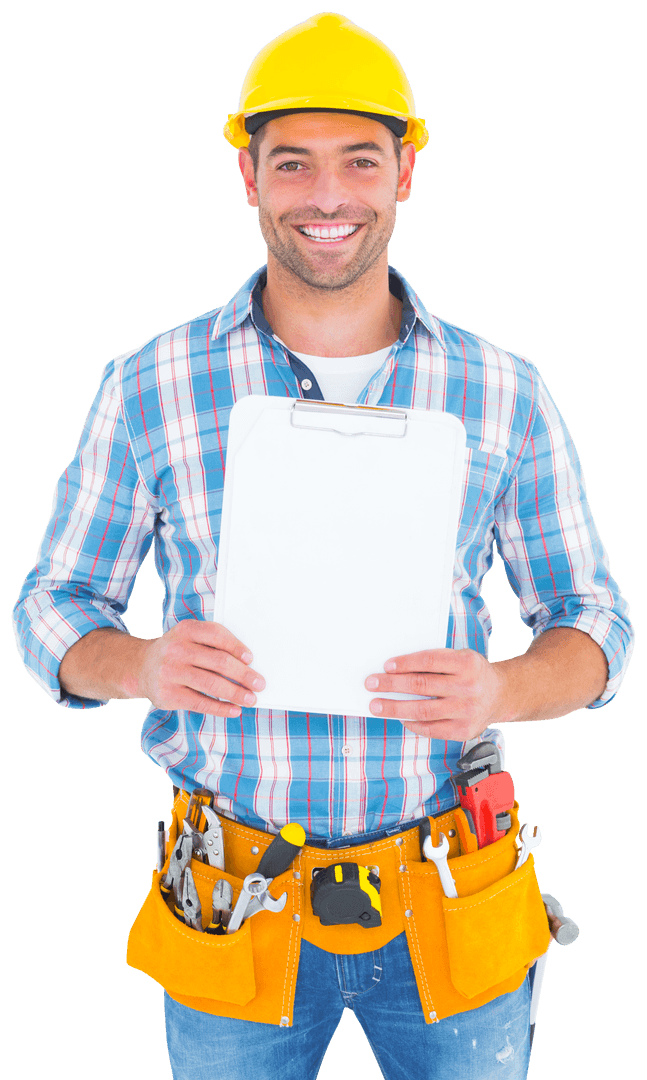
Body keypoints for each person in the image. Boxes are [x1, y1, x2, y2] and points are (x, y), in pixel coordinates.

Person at [12, 12, 633, 1080]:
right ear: (248, 177)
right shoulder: (150, 382)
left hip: (448, 890)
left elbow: (594, 626)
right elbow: (52, 605)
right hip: (232, 899)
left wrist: (497, 689)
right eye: (292, 162)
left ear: (403, 175)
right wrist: (145, 663)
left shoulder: (502, 389)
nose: (327, 195)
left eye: (359, 160)